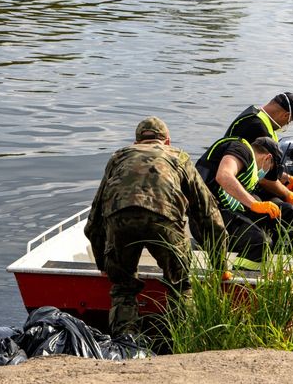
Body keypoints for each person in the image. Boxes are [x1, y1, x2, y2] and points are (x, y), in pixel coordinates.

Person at [84, 116, 228, 337]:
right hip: (165, 220)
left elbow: (94, 219)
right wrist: (219, 264)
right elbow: (207, 212)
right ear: (167, 141)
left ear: (137, 142)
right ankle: (184, 341)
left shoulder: (119, 157)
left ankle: (125, 344)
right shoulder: (178, 157)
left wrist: (104, 264)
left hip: (120, 219)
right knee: (180, 286)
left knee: (123, 288)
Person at [195, 135, 284, 267]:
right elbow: (224, 176)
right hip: (206, 217)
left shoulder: (250, 165)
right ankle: (237, 277)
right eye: (269, 169)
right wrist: (254, 204)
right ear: (267, 158)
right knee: (260, 242)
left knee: (278, 214)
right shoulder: (241, 150)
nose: (265, 174)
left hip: (222, 211)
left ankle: (272, 260)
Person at [218, 92, 293, 207]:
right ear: (285, 115)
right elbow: (263, 178)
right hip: (234, 189)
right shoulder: (256, 127)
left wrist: (287, 178)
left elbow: (263, 168)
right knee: (283, 208)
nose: (286, 125)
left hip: (246, 182)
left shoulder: (257, 115)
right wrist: (287, 194)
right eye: (288, 122)